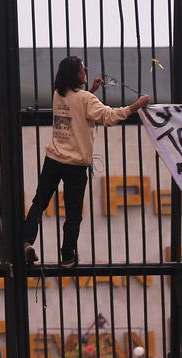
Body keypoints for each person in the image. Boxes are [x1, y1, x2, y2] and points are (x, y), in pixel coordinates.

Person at [23, 56, 149, 267]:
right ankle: (67, 255)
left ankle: (26, 242)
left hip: (53, 159)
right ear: (75, 74)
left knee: (39, 202)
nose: (86, 69)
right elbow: (109, 117)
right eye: (82, 68)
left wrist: (91, 90)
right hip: (76, 165)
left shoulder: (58, 95)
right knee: (73, 214)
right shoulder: (86, 100)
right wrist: (136, 105)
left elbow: (78, 105)